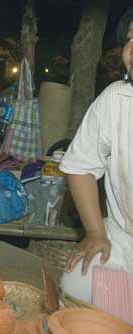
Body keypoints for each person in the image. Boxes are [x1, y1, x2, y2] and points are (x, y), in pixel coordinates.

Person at [59, 7, 133, 302]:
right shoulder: (116, 100)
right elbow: (79, 167)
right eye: (130, 38)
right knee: (78, 282)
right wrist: (95, 232)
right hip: (124, 239)